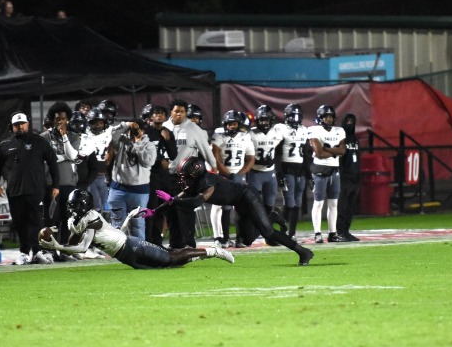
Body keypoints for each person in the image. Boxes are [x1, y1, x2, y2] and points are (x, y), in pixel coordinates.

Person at [148, 157, 314, 266]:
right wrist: (154, 211)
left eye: (186, 176)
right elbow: (175, 200)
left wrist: (173, 200)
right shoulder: (193, 182)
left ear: (195, 174)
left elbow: (196, 201)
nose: (183, 179)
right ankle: (271, 217)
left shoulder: (207, 181)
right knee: (246, 240)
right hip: (238, 202)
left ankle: (303, 252)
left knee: (268, 232)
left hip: (247, 196)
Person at [39, 189, 234, 269]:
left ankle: (213, 251)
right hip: (124, 255)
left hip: (130, 246)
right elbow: (71, 245)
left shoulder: (91, 218)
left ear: (84, 205)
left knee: (170, 258)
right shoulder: (77, 221)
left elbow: (82, 248)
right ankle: (203, 255)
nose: (72, 209)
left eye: (75, 205)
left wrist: (57, 246)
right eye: (71, 206)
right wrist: (58, 243)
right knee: (169, 264)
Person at [0, 112, 60, 265]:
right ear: (12, 127)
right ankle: (24, 252)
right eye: (17, 125)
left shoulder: (39, 141)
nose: (20, 126)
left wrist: (56, 185)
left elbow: (53, 163)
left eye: (22, 123)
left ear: (28, 124)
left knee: (36, 221)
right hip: (14, 191)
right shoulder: (5, 145)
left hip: (36, 190)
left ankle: (37, 252)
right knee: (19, 222)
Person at [162, 99, 217, 248]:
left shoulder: (193, 128)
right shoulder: (164, 127)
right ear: (171, 112)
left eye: (182, 111)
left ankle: (189, 244)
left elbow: (205, 149)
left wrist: (214, 166)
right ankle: (175, 245)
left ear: (186, 113)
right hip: (166, 176)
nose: (179, 114)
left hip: (185, 177)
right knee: (170, 211)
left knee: (185, 210)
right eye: (176, 111)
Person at [40, 102, 81, 261]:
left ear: (68, 119)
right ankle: (49, 250)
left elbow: (72, 155)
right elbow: (45, 158)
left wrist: (64, 137)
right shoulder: (45, 137)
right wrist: (62, 157)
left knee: (67, 219)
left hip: (69, 182)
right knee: (51, 219)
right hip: (50, 183)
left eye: (63, 119)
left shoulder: (74, 136)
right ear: (52, 119)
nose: (60, 122)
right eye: (57, 119)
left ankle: (64, 250)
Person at [210, 110, 255, 247]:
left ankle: (240, 238)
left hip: (238, 175)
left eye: (234, 124)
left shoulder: (245, 137)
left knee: (241, 208)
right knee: (226, 207)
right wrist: (228, 174)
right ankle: (224, 238)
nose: (231, 126)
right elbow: (216, 158)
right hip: (225, 175)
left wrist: (240, 174)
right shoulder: (219, 136)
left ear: (239, 124)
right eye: (229, 124)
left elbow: (251, 159)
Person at [106, 118, 157, 240]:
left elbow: (148, 161)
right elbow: (113, 132)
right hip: (118, 188)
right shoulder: (121, 141)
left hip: (139, 191)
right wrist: (127, 124)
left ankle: (138, 250)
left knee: (137, 225)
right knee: (117, 224)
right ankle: (117, 249)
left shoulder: (149, 145)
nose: (134, 132)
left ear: (143, 131)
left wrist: (138, 144)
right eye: (132, 129)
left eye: (138, 130)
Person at [308, 105, 347, 243]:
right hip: (319, 170)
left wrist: (327, 149)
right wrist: (334, 151)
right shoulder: (314, 130)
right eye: (326, 117)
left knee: (333, 203)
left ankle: (332, 233)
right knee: (318, 203)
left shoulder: (339, 130)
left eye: (330, 117)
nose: (328, 119)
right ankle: (317, 233)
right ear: (320, 118)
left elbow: (342, 151)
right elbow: (319, 153)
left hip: (334, 170)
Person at [273, 103, 309, 240]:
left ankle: (291, 234)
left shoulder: (304, 130)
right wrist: (279, 173)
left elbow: (305, 153)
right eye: (293, 116)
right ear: (287, 116)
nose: (295, 119)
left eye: (298, 116)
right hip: (287, 167)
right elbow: (277, 153)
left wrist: (309, 174)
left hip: (300, 169)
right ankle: (282, 232)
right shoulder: (281, 129)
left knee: (297, 203)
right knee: (290, 202)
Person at [144, 105, 177, 245]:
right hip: (150, 175)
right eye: (156, 113)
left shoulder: (167, 132)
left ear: (165, 117)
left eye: (162, 114)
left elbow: (173, 155)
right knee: (150, 208)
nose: (159, 116)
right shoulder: (146, 132)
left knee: (161, 208)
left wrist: (168, 140)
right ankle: (147, 240)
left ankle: (157, 241)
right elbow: (143, 152)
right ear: (151, 116)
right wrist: (159, 160)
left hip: (164, 176)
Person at [81, 108, 112, 214]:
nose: (99, 125)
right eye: (96, 123)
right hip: (91, 176)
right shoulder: (84, 136)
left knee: (106, 206)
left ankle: (106, 223)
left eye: (101, 123)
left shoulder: (108, 134)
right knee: (96, 205)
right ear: (90, 123)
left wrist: (109, 156)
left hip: (102, 175)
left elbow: (112, 147)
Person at [336, 113, 361, 242]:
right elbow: (339, 159)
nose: (350, 124)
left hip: (355, 177)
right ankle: (339, 231)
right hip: (344, 177)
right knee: (343, 206)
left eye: (352, 121)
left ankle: (346, 231)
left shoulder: (355, 140)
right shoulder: (341, 139)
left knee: (351, 207)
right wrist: (341, 174)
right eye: (348, 121)